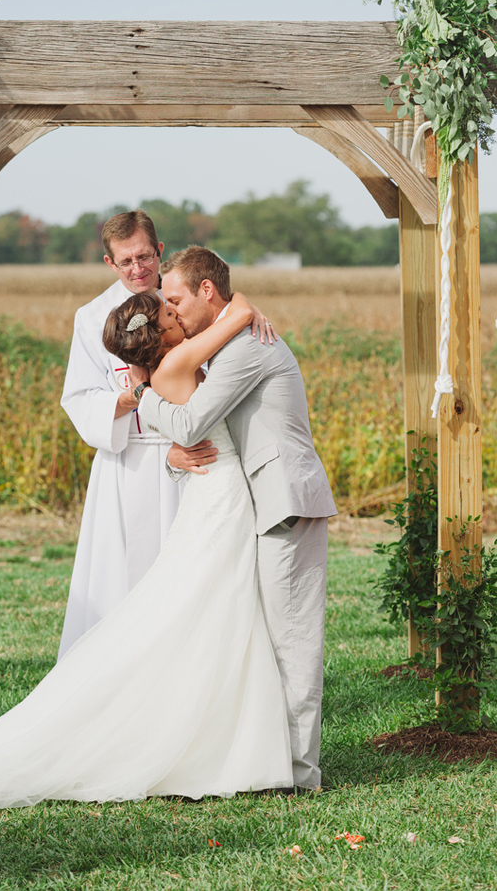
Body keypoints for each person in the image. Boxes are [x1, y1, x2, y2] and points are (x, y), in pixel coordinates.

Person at [0, 290, 293, 810]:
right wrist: (242, 307)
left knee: (210, 606)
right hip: (220, 499)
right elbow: (237, 311)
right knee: (216, 606)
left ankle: (228, 740)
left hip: (216, 496)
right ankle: (223, 747)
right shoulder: (179, 360)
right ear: (159, 335)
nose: (181, 317)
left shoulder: (159, 369)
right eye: (172, 314)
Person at [135, 247, 337, 792]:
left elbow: (195, 418)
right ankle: (270, 759)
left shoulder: (246, 345)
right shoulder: (229, 337)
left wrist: (138, 395)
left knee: (292, 640)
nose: (170, 311)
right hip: (256, 503)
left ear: (207, 292)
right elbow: (209, 441)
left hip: (284, 502)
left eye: (174, 299)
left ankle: (300, 775)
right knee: (267, 637)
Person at [57, 210, 214, 658]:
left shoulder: (183, 299)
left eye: (144, 257)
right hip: (129, 460)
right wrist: (133, 398)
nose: (137, 269)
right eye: (125, 262)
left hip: (191, 451)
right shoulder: (91, 319)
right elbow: (80, 398)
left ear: (160, 252)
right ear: (109, 263)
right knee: (127, 580)